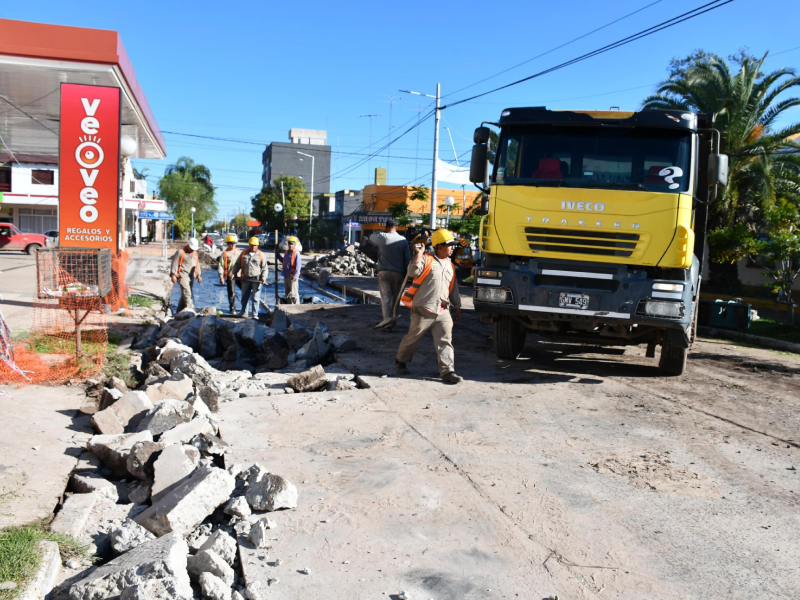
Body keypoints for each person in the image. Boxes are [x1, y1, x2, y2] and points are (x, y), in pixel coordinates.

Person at [395, 229, 463, 384]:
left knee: (445, 341)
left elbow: (453, 288)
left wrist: (457, 307)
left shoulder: (451, 265)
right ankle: (400, 361)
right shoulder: (427, 259)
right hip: (424, 309)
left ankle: (448, 372)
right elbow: (412, 272)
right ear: (439, 246)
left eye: (454, 245)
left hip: (443, 310)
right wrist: (418, 254)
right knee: (412, 338)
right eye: (450, 245)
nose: (453, 247)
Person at [371, 218, 411, 327]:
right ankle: (392, 322)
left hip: (383, 272)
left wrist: (382, 231)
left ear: (386, 227)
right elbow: (407, 258)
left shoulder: (382, 237)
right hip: (398, 273)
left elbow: (371, 236)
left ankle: (386, 322)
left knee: (386, 298)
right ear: (397, 227)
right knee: (396, 298)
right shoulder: (403, 240)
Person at [232, 237, 268, 318]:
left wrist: (263, 277)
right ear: (249, 244)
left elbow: (265, 268)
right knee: (245, 296)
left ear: (257, 245)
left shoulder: (261, 255)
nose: (253, 247)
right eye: (252, 245)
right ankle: (244, 312)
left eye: (255, 245)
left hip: (256, 279)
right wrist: (233, 273)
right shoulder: (244, 253)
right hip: (245, 278)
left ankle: (255, 314)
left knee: (255, 298)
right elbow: (237, 265)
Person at [170, 238, 202, 312]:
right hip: (182, 275)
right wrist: (173, 274)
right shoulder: (180, 252)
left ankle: (180, 310)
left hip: (191, 276)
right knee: (187, 292)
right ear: (188, 245)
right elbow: (174, 263)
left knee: (185, 293)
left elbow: (197, 265)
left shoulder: (195, 253)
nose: (192, 250)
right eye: (191, 248)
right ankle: (191, 310)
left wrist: (199, 275)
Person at [217, 234, 241, 314]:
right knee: (231, 292)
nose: (232, 245)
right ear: (227, 244)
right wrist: (221, 277)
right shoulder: (225, 254)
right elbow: (220, 265)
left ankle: (244, 308)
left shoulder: (239, 252)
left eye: (234, 243)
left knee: (245, 291)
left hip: (240, 275)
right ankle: (232, 309)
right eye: (230, 243)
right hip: (230, 276)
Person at [282, 236, 302, 304]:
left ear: (295, 245)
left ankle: (297, 308)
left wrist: (295, 277)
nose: (290, 245)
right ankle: (290, 308)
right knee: (287, 294)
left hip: (292, 277)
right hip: (286, 276)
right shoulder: (286, 253)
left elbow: (298, 266)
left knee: (294, 294)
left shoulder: (296, 253)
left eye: (292, 244)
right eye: (289, 243)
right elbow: (284, 261)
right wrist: (278, 255)